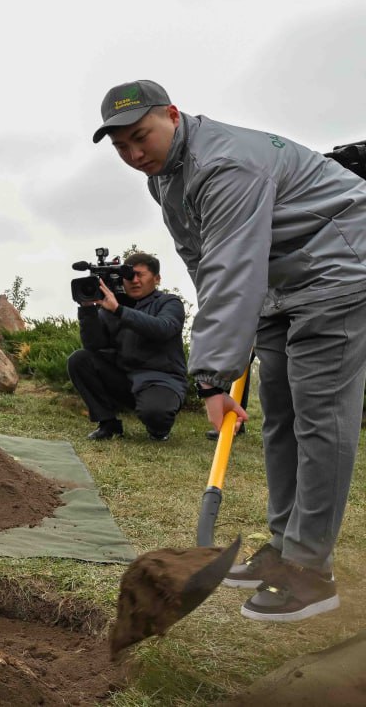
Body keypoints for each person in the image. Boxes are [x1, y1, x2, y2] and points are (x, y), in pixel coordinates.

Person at [93, 79, 366, 623]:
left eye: (141, 137)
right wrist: (232, 349)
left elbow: (231, 266)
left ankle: (312, 572)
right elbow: (202, 262)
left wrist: (213, 378)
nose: (134, 154)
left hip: (337, 268)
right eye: (121, 147)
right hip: (276, 284)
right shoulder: (166, 178)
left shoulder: (225, 166)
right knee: (280, 417)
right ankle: (286, 547)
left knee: (319, 418)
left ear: (173, 114)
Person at [65, 253, 187, 442]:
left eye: (141, 275)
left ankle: (159, 428)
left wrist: (119, 311)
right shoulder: (112, 306)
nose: (134, 281)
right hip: (125, 378)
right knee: (80, 359)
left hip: (161, 380)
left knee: (155, 416)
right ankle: (108, 423)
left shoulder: (169, 303)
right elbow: (94, 346)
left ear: (157, 278)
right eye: (129, 276)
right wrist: (88, 310)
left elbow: (163, 329)